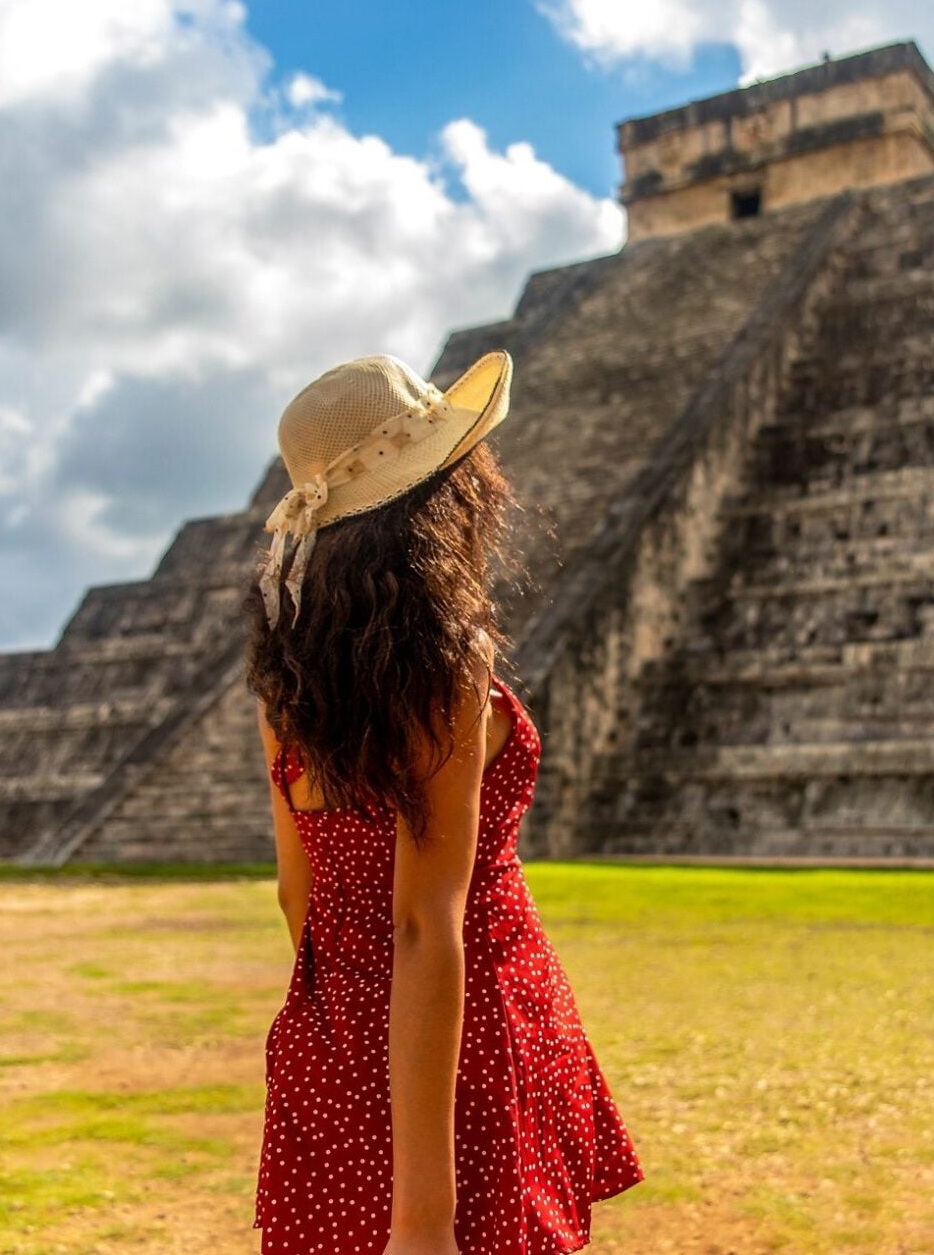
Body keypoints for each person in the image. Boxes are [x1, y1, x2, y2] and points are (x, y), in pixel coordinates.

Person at [244, 349, 645, 1254]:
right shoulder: (443, 670)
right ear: (440, 493)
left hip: (332, 1025)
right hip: (464, 1037)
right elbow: (428, 922)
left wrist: (343, 1042)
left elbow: (295, 893)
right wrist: (424, 1214)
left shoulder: (286, 679)